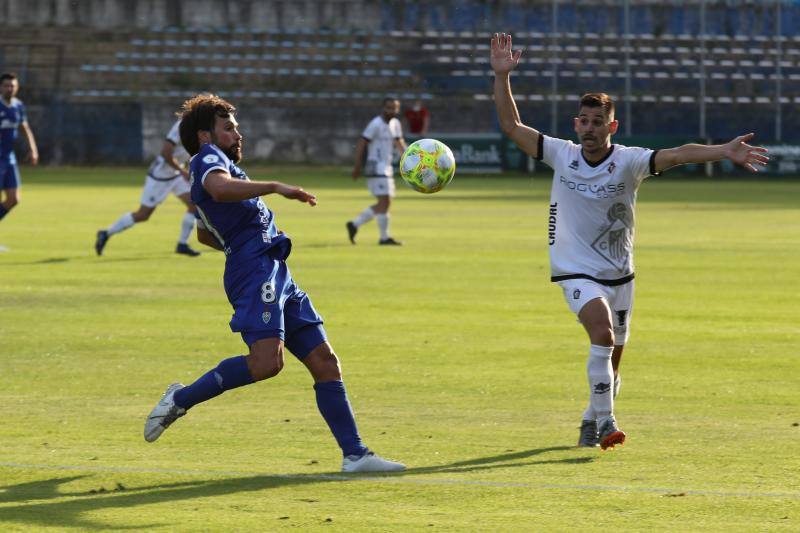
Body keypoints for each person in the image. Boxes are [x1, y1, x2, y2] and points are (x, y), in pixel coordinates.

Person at [490, 33, 768, 450]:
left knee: (613, 361)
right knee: (600, 335)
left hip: (620, 274)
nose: (588, 129)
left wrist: (723, 151)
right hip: (574, 269)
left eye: (597, 122)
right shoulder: (560, 154)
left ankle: (590, 417)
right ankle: (606, 424)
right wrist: (501, 77)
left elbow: (676, 155)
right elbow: (512, 126)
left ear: (611, 126)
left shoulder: (630, 161)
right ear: (575, 123)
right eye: (583, 121)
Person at [144, 94, 405, 473]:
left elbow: (204, 234)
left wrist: (240, 238)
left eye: (235, 126)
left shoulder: (230, 171)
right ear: (205, 136)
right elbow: (217, 189)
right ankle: (180, 398)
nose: (237, 133)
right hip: (254, 271)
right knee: (267, 363)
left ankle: (356, 455)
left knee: (325, 361)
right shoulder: (207, 160)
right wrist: (274, 190)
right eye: (228, 127)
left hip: (273, 269)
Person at [95, 118, 201, 257]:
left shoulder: (202, 127)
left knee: (194, 205)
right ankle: (106, 233)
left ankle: (182, 244)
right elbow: (166, 152)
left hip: (175, 175)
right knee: (143, 215)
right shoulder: (183, 126)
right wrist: (182, 171)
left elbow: (187, 153)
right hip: (160, 176)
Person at [346, 97, 406, 246]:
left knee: (385, 202)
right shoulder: (375, 124)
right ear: (383, 108)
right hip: (376, 167)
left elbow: (399, 142)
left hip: (387, 167)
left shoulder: (395, 124)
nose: (392, 111)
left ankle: (355, 224)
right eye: (389, 108)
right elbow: (361, 143)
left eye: (395, 108)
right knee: (384, 202)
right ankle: (383, 237)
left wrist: (408, 159)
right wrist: (358, 166)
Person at [0, 72, 39, 251]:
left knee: (14, 199)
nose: (10, 88)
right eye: (7, 85)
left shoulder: (18, 106)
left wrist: (32, 148)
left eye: (13, 85)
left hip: (9, 158)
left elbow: (25, 128)